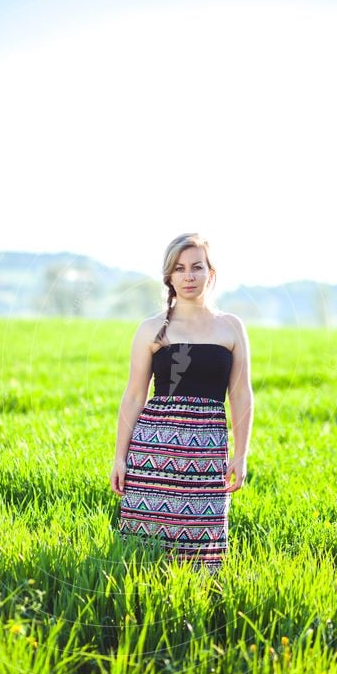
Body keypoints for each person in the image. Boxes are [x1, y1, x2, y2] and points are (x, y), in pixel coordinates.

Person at [110, 233, 254, 572]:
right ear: (169, 277)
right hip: (153, 454)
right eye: (180, 268)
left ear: (210, 273)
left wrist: (241, 454)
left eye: (196, 267)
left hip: (207, 456)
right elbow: (133, 396)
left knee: (205, 554)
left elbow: (241, 394)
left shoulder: (230, 327)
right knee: (142, 557)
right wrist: (119, 457)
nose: (188, 276)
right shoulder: (151, 329)